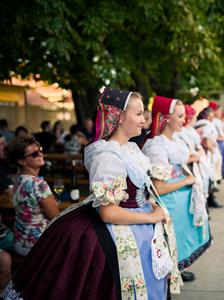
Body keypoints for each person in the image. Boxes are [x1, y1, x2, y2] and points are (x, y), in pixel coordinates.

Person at [2, 88, 179, 300]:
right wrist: (150, 217)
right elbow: (108, 213)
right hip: (115, 229)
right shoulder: (107, 155)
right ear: (120, 117)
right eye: (139, 114)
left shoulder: (130, 149)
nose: (144, 120)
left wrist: (150, 207)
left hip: (137, 223)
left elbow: (136, 192)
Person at [142, 96, 212, 284]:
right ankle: (170, 276)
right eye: (180, 116)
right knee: (171, 243)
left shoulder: (173, 140)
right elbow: (158, 188)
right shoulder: (156, 145)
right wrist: (188, 180)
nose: (184, 119)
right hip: (169, 202)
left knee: (181, 241)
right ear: (165, 117)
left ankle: (178, 269)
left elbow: (179, 161)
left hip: (181, 201)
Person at [6, 137, 60, 256]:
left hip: (19, 243)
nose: (40, 154)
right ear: (22, 161)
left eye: (40, 150)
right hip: (38, 245)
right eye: (35, 153)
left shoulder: (16, 181)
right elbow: (56, 218)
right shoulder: (39, 184)